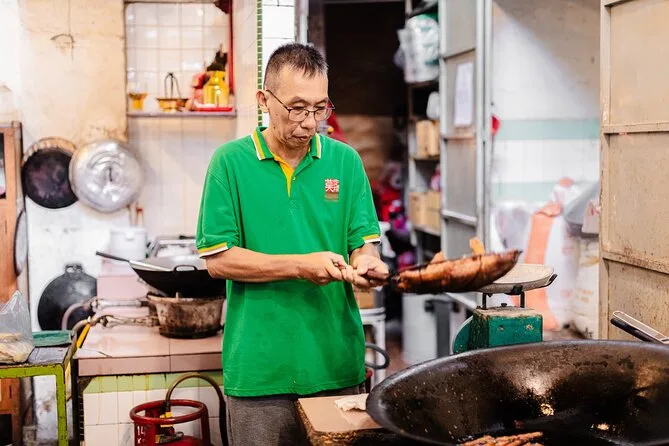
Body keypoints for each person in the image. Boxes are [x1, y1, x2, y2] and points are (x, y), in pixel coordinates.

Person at [195, 43, 389, 446]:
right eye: (297, 108)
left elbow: (363, 243)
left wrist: (367, 262)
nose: (309, 122)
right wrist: (301, 266)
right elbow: (219, 260)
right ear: (264, 100)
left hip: (335, 364)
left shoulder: (345, 162)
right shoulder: (229, 163)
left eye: (320, 108)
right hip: (259, 370)